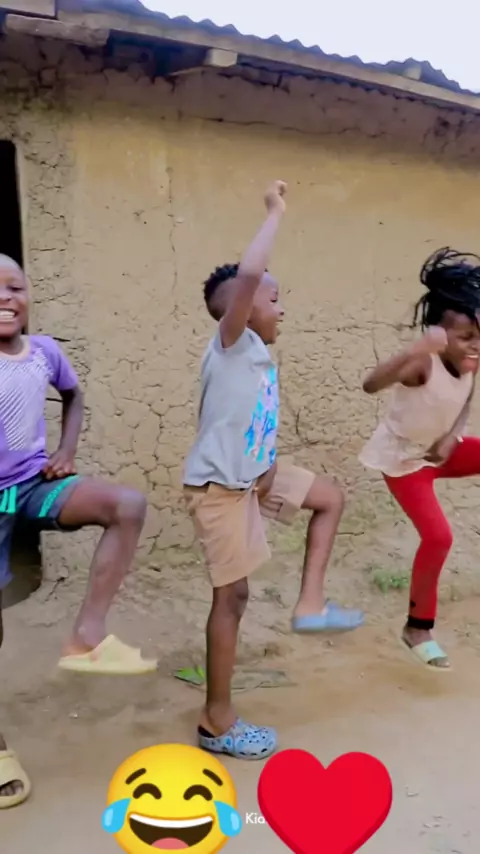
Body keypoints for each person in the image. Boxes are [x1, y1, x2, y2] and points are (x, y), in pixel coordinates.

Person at [183, 181, 364, 761]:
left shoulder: (256, 352)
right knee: (231, 598)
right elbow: (252, 273)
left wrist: (266, 469)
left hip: (254, 478)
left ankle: (310, 603)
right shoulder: (231, 342)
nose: (282, 307)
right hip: (220, 489)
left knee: (329, 498)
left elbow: (250, 422)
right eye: (273, 297)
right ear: (243, 304)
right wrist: (274, 213)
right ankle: (217, 720)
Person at [0, 255, 156, 808]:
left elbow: (74, 395)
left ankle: (86, 635)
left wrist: (66, 450)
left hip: (31, 486)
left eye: (15, 286)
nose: (6, 298)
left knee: (127, 505)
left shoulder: (44, 353)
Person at [360, 247, 480, 671]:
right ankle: (418, 628)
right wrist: (417, 349)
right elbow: (370, 384)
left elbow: (466, 398)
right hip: (406, 464)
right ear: (439, 335)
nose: (475, 346)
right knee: (439, 537)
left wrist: (453, 436)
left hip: (440, 452)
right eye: (466, 337)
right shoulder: (422, 366)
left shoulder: (469, 360)